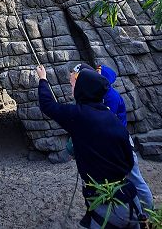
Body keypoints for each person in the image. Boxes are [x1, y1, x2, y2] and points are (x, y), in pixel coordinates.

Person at [37, 65, 143, 228]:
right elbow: (128, 162)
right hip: (129, 198)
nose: (73, 87)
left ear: (83, 90)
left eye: (75, 85)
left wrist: (43, 79)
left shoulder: (77, 115)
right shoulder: (113, 119)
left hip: (106, 204)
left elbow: (47, 105)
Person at [70, 63, 153, 210]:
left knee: (134, 178)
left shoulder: (111, 97)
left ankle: (148, 212)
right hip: (108, 142)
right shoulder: (97, 96)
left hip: (118, 142)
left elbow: (106, 122)